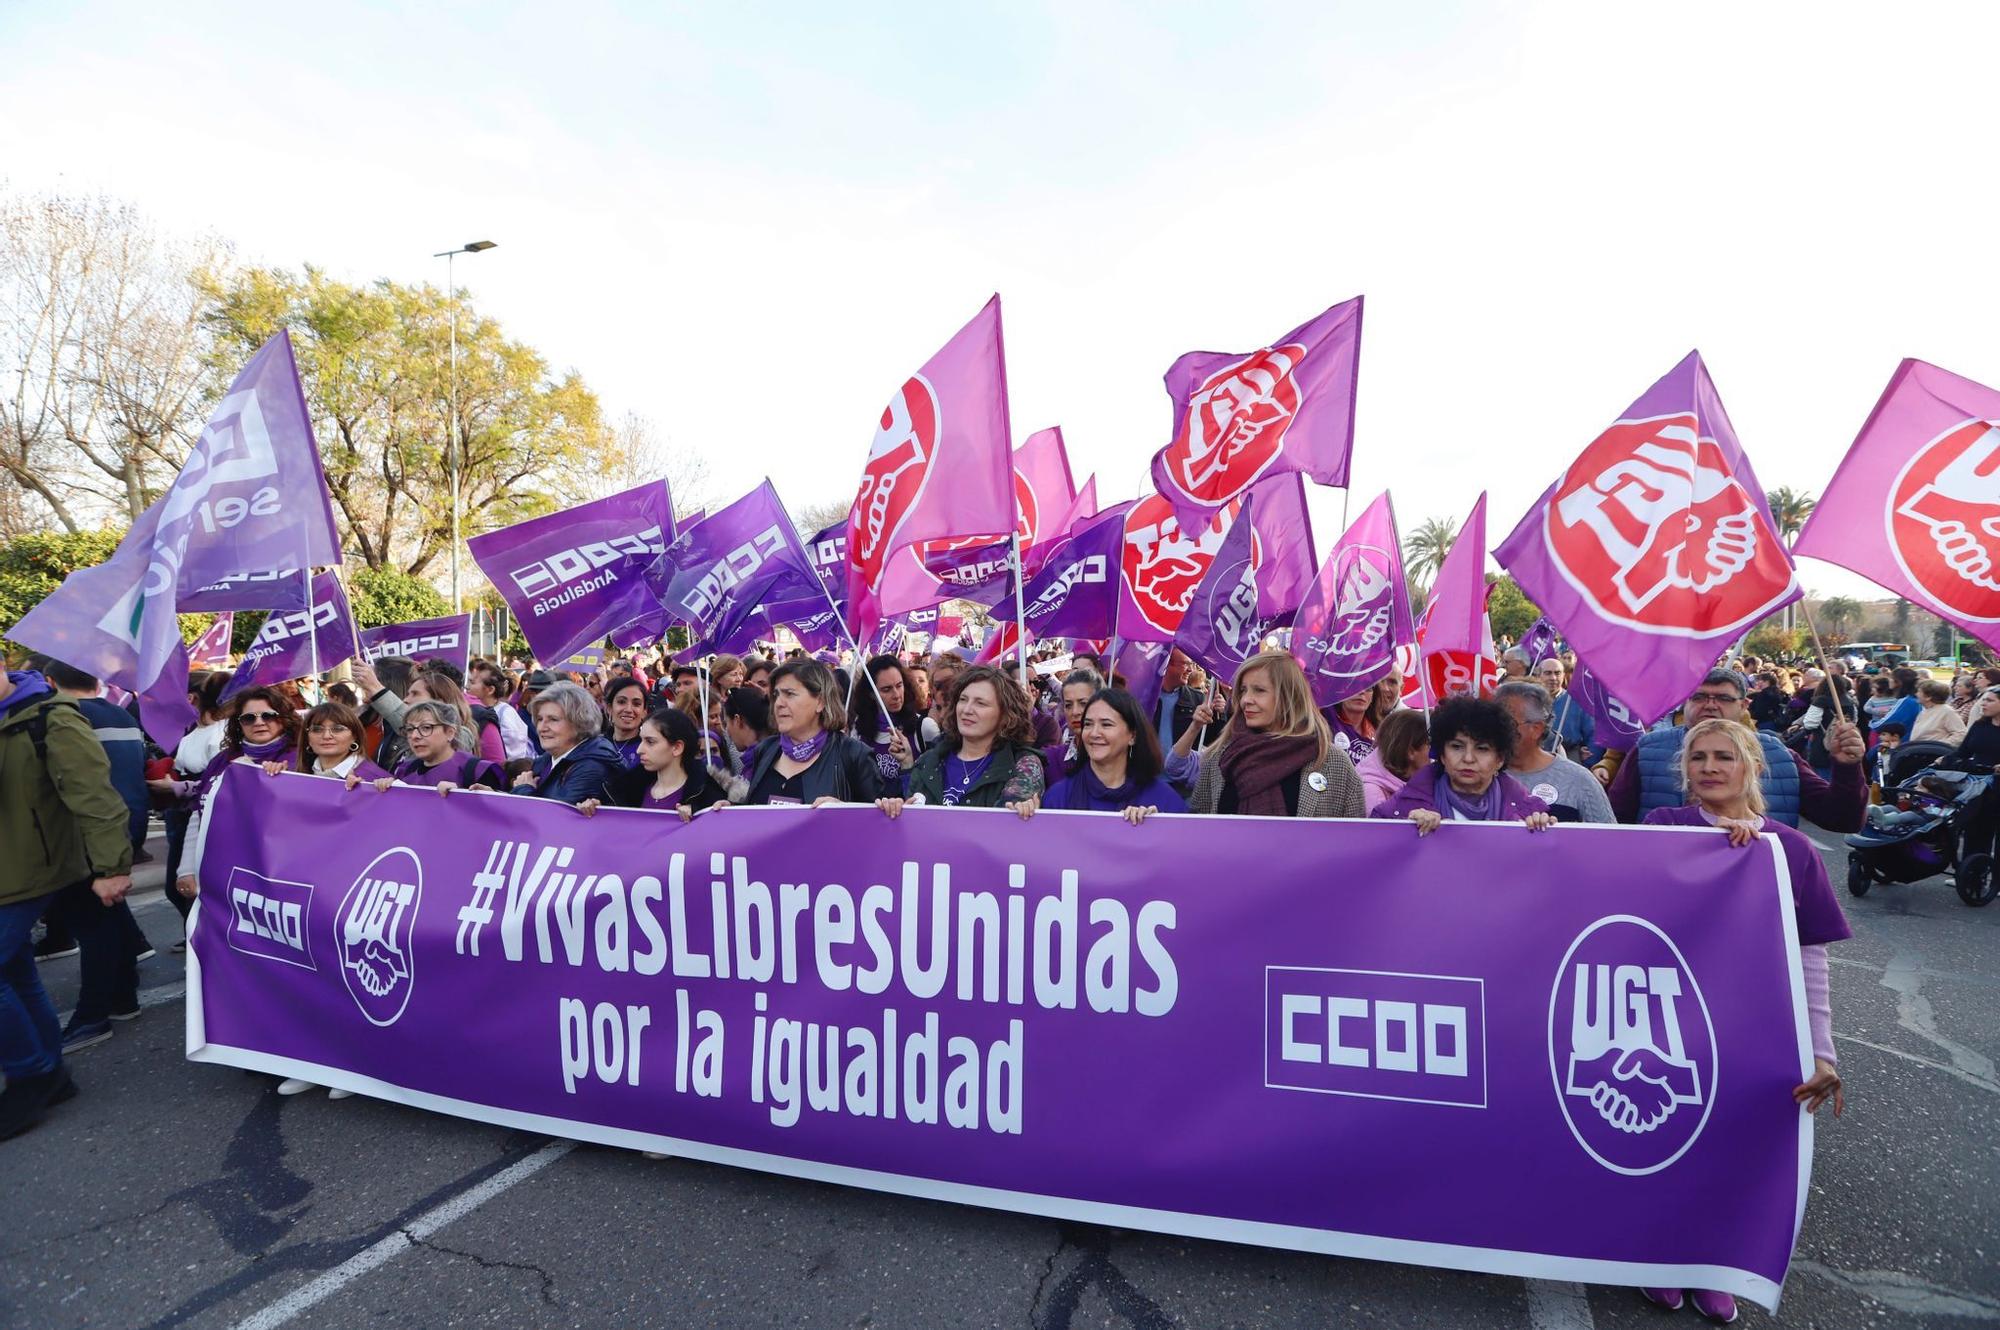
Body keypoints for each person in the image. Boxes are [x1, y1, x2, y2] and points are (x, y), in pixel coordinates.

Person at [1635, 717, 1849, 1323]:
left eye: (1723, 756)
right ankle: (1660, 1255)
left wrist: (1821, 1051)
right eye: (1697, 757)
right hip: (1670, 1019)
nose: (1708, 767)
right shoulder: (1661, 829)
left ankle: (1715, 1262)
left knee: (1733, 1145)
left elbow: (1812, 961)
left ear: (1752, 765)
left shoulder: (1791, 850)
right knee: (1666, 1139)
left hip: (1753, 1028)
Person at [0, 664, 135, 1137]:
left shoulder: (50, 717)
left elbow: (95, 794)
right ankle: (48, 1071)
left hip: (33, 869)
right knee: (15, 971)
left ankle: (30, 1073)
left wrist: (111, 866)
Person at [1606, 669, 1867, 831]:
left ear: (1744, 705)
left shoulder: (1779, 755)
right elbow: (1614, 824)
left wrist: (1847, 768)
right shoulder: (1649, 749)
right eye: (1699, 697)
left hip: (1757, 892)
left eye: (1723, 698)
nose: (1710, 705)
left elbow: (1842, 820)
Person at [1188, 652, 1364, 818]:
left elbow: (1355, 838)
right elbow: (1198, 831)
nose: (1246, 700)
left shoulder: (1334, 763)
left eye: (1259, 690)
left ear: (1289, 696)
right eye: (1243, 690)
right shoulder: (1219, 757)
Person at [176, 688, 304, 906]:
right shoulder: (222, 761)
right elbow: (201, 813)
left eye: (268, 715)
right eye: (248, 718)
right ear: (238, 723)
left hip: (276, 878)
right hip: (221, 872)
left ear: (283, 717)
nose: (259, 722)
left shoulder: (301, 759)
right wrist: (186, 868)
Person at [1371, 697, 1556, 832]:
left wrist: (1540, 829)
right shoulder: (1407, 804)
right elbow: (1374, 846)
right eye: (1457, 747)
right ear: (1442, 755)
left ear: (1500, 759)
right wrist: (1405, 825)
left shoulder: (1527, 811)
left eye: (1482, 749)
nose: (1468, 758)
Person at [878, 665, 1045, 816]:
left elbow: (1004, 825)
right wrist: (897, 809)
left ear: (1005, 716)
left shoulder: (1023, 765)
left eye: (980, 703)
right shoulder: (928, 761)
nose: (967, 709)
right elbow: (913, 819)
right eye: (963, 700)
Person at [1030, 687, 1186, 823]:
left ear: (1132, 736)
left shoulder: (1164, 801)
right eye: (1088, 724)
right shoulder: (1058, 798)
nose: (1094, 733)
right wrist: (1023, 818)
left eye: (1106, 724)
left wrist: (1158, 829)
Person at [739, 660, 880, 805]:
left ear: (820, 702)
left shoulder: (854, 755)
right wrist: (730, 811)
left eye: (789, 694)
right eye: (776, 694)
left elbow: (878, 820)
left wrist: (843, 811)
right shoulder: (765, 749)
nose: (779, 703)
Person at [1494, 682, 1615, 823]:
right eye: (1492, 721)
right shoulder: (1480, 776)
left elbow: (1608, 839)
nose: (1496, 728)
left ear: (1536, 728)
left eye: (1506, 722)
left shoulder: (1579, 780)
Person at [579, 707, 730, 817]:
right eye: (641, 740)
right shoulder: (627, 788)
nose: (639, 750)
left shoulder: (707, 796)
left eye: (650, 742)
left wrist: (704, 815)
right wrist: (597, 810)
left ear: (677, 747)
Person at [510, 682, 620, 804]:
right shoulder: (548, 758)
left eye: (553, 720)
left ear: (579, 723)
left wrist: (523, 789)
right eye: (540, 719)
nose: (542, 727)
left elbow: (554, 817)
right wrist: (493, 794)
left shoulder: (592, 767)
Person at [849, 654, 932, 793]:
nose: (896, 695)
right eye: (886, 689)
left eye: (899, 686)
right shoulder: (858, 730)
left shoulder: (924, 727)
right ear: (871, 694)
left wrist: (908, 765)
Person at [386, 701, 508, 791]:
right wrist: (384, 789)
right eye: (410, 729)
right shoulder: (405, 771)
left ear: (450, 732)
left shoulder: (478, 771)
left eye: (426, 728)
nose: (414, 736)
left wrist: (463, 795)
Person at [1355, 708, 1429, 813]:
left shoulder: (1425, 780)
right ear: (1411, 752)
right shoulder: (1372, 793)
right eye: (1430, 745)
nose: (1436, 752)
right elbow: (1381, 829)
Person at [468, 659, 531, 761]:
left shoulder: (506, 714)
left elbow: (512, 757)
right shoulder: (473, 709)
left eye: (472, 682)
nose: (467, 687)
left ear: (490, 690)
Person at [1045, 667, 1104, 772]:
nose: (1075, 712)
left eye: (1083, 703)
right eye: (1068, 705)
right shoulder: (1051, 759)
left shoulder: (1117, 760)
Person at [602, 677, 651, 768]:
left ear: (644, 711)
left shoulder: (650, 750)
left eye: (636, 704)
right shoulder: (597, 745)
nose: (628, 709)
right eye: (621, 702)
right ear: (609, 708)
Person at [1324, 688, 1378, 762]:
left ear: (1372, 697)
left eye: (1368, 688)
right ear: (1340, 691)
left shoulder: (1380, 735)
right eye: (1354, 684)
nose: (1362, 691)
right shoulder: (1325, 716)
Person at [1910, 678, 1968, 747]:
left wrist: (1938, 746)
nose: (1916, 694)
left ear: (1928, 697)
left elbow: (1961, 734)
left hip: (1932, 754)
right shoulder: (1925, 711)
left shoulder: (1946, 711)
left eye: (1919, 692)